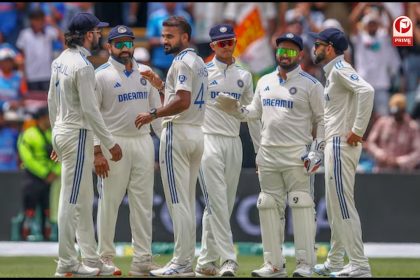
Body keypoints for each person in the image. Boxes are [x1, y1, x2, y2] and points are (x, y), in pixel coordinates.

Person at [215, 32, 325, 277]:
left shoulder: (311, 84)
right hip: (268, 154)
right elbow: (253, 113)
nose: (284, 55)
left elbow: (322, 120)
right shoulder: (264, 81)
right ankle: (274, 265)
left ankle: (305, 265)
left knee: (302, 204)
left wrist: (317, 151)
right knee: (267, 205)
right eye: (281, 51)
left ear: (300, 54)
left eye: (290, 51)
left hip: (297, 154)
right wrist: (235, 109)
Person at [47, 12, 122, 277]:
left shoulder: (60, 61)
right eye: (97, 31)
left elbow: (51, 100)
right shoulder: (83, 66)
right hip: (77, 133)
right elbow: (91, 112)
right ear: (88, 34)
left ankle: (91, 258)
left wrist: (56, 133)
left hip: (64, 130)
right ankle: (67, 263)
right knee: (70, 199)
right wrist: (109, 142)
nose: (100, 35)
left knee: (83, 198)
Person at [134, 16, 208, 277]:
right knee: (185, 201)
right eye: (163, 36)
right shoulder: (198, 61)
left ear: (185, 37)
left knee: (178, 202)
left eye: (170, 36)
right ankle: (185, 261)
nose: (164, 41)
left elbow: (183, 101)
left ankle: (182, 262)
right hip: (197, 133)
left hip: (177, 133)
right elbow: (180, 96)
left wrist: (153, 113)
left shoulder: (182, 61)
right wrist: (160, 85)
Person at [93, 25, 162, 276]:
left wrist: (165, 142)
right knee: (109, 202)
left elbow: (156, 112)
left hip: (143, 141)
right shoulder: (100, 75)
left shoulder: (146, 72)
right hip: (114, 143)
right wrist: (97, 151)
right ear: (108, 47)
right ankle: (105, 257)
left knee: (143, 204)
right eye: (118, 44)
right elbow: (92, 116)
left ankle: (143, 260)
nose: (124, 48)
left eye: (128, 43)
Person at [194, 24, 261, 277]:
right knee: (217, 201)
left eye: (229, 42)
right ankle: (228, 259)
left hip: (233, 141)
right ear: (212, 46)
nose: (226, 46)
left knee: (222, 204)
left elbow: (252, 116)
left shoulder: (244, 75)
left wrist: (259, 152)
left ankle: (205, 262)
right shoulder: (201, 72)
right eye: (220, 43)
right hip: (207, 139)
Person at [310, 28, 374, 277]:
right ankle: (336, 261)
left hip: (340, 144)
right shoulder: (333, 73)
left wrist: (358, 130)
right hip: (334, 145)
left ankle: (359, 265)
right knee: (336, 206)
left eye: (318, 44)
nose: (314, 49)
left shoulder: (339, 69)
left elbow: (367, 91)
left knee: (343, 205)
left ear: (329, 48)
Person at [17, 106, 60, 241]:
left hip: (51, 178)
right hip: (33, 177)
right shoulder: (29, 134)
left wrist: (55, 172)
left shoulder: (53, 134)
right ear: (42, 118)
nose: (51, 119)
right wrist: (45, 173)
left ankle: (48, 235)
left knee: (48, 208)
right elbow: (27, 157)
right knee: (30, 206)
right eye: (49, 116)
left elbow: (62, 155)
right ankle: (26, 234)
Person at [365, 93, 420, 172]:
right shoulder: (382, 123)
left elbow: (417, 152)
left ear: (404, 110)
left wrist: (399, 161)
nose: (395, 115)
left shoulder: (412, 127)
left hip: (403, 173)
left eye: (398, 112)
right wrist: (380, 154)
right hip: (381, 169)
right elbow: (370, 142)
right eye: (394, 113)